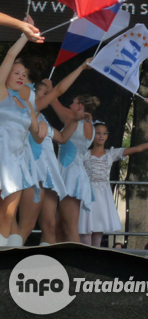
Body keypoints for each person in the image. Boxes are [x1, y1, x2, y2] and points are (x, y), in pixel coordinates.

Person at [17, 59, 93, 246]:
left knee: (50, 225)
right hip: (32, 175)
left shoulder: (42, 118)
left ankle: (46, 262)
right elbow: (58, 90)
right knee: (26, 225)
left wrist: (75, 120)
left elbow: (63, 138)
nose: (47, 98)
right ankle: (9, 257)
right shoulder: (27, 111)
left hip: (48, 177)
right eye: (44, 94)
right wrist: (81, 67)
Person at [78, 121, 148, 247]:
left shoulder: (111, 153)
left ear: (107, 136)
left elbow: (138, 148)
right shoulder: (84, 154)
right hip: (87, 195)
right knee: (85, 235)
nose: (101, 136)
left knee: (97, 235)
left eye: (104, 133)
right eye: (98, 133)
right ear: (92, 135)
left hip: (103, 197)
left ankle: (94, 258)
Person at [0, 34, 46, 246]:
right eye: (16, 72)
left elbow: (36, 138)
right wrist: (24, 36)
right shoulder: (1, 94)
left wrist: (42, 129)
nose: (21, 76)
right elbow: (10, 55)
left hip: (16, 166)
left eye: (24, 74)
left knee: (8, 216)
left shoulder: (27, 105)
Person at [52, 93, 100, 243]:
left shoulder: (72, 117)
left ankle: (76, 256)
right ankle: (59, 255)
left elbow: (54, 102)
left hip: (70, 175)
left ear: (79, 106)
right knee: (59, 226)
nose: (70, 106)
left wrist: (50, 88)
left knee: (70, 228)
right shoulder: (90, 125)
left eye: (73, 103)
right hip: (72, 171)